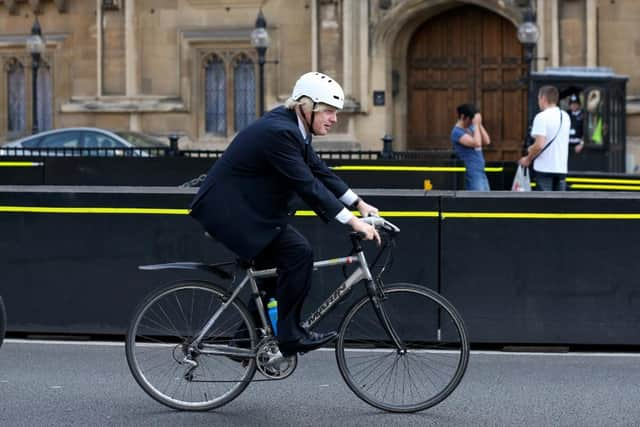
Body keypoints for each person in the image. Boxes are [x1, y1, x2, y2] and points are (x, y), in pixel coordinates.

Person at [189, 72, 381, 357]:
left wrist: (359, 203)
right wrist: (352, 222)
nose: (334, 118)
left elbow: (318, 169)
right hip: (232, 214)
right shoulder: (280, 132)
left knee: (273, 279)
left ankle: (243, 343)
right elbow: (307, 185)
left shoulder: (294, 128)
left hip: (251, 211)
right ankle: (290, 336)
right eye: (328, 111)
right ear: (306, 106)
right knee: (299, 254)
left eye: (335, 112)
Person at [519, 85, 571, 191]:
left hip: (544, 169)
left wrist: (528, 158)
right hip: (561, 168)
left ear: (543, 98)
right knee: (559, 205)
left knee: (544, 205)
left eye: (538, 98)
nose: (538, 101)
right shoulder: (565, 116)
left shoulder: (541, 117)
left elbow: (539, 145)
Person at [450, 104, 491, 191]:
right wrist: (476, 125)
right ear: (462, 116)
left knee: (487, 199)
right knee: (477, 199)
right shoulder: (456, 132)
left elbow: (487, 141)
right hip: (471, 171)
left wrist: (479, 125)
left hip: (480, 170)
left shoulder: (472, 128)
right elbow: (477, 143)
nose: (471, 122)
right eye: (470, 119)